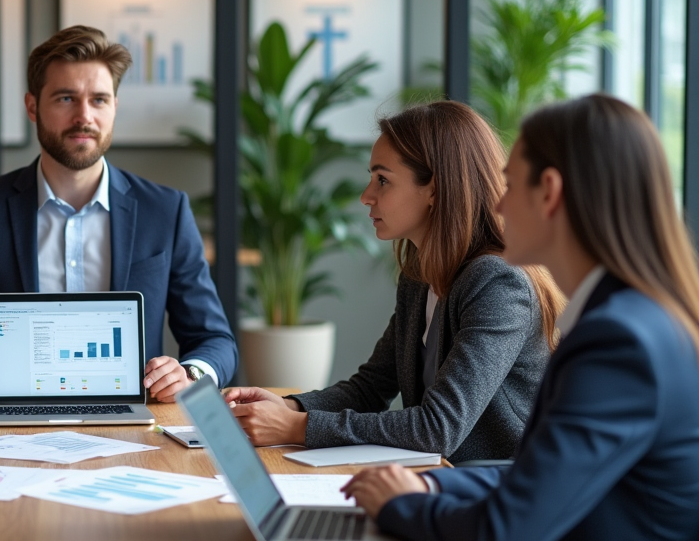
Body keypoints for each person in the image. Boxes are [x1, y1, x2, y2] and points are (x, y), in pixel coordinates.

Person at [345, 94, 699, 541]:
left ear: (551, 192)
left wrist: (402, 506)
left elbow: (502, 537)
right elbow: (531, 476)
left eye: (510, 183)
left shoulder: (619, 343)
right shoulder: (631, 318)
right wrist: (433, 491)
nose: (498, 201)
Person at [0, 25, 237, 401]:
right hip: (13, 420)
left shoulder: (165, 210)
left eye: (99, 100)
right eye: (66, 98)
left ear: (114, 107)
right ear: (32, 107)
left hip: (134, 420)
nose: (84, 116)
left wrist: (189, 373)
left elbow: (215, 341)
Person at [223, 101, 561, 463]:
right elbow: (371, 388)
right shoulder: (420, 275)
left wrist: (297, 427)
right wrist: (289, 406)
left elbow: (438, 429)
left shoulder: (498, 284)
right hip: (443, 480)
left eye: (382, 180)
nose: (366, 196)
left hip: (499, 494)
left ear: (435, 188)